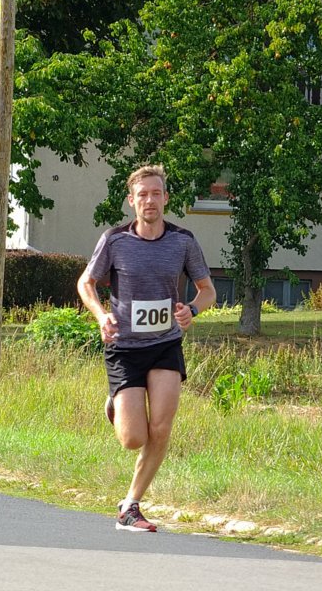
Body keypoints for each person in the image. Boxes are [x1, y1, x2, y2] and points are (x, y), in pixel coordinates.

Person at [77, 165, 216, 532]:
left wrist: (193, 311)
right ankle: (116, 403)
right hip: (124, 347)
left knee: (162, 427)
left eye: (156, 194)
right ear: (132, 201)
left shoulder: (183, 241)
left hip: (165, 343)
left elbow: (208, 290)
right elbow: (86, 282)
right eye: (142, 195)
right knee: (133, 438)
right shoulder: (115, 240)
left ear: (166, 198)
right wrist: (100, 315)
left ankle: (131, 505)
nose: (149, 201)